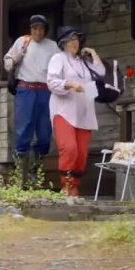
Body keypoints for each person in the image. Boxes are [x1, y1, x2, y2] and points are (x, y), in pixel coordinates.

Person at [46, 26, 105, 197]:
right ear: (63, 43)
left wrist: (93, 54)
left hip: (84, 112)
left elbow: (100, 73)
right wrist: (70, 84)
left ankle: (74, 187)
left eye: (76, 39)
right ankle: (66, 186)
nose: (74, 42)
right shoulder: (58, 58)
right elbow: (51, 81)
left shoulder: (84, 61)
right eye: (70, 39)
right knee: (69, 148)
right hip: (63, 111)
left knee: (81, 154)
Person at [3, 14, 59, 184]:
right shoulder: (23, 42)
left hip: (45, 91)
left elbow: (60, 65)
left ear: (45, 30)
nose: (38, 32)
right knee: (23, 128)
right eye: (35, 28)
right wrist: (13, 59)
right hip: (25, 89)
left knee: (44, 132)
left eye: (41, 28)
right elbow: (7, 62)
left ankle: (36, 170)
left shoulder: (53, 46)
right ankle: (21, 174)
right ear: (30, 29)